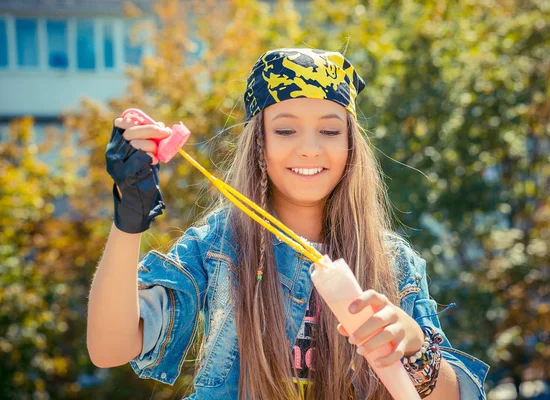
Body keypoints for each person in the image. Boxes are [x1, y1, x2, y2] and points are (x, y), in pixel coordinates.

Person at [87, 48, 489, 399]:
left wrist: (415, 349)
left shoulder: (392, 262)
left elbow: (461, 395)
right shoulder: (217, 246)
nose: (310, 148)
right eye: (285, 129)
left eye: (330, 130)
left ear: (350, 143)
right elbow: (109, 348)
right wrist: (129, 221)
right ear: (258, 142)